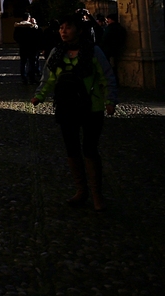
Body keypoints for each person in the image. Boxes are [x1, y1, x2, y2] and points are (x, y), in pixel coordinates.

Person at [31, 13, 119, 211]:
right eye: (61, 27)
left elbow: (107, 77)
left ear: (79, 30)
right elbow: (49, 78)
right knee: (71, 149)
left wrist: (110, 100)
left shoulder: (93, 52)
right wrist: (40, 95)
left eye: (68, 27)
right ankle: (81, 191)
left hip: (91, 106)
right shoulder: (56, 52)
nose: (63, 31)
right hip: (66, 106)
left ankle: (97, 195)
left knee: (90, 149)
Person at [14, 16, 38, 86]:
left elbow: (15, 37)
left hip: (23, 47)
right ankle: (31, 78)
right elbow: (36, 37)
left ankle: (24, 78)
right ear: (28, 18)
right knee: (31, 63)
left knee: (23, 63)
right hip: (31, 47)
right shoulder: (32, 27)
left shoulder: (18, 27)